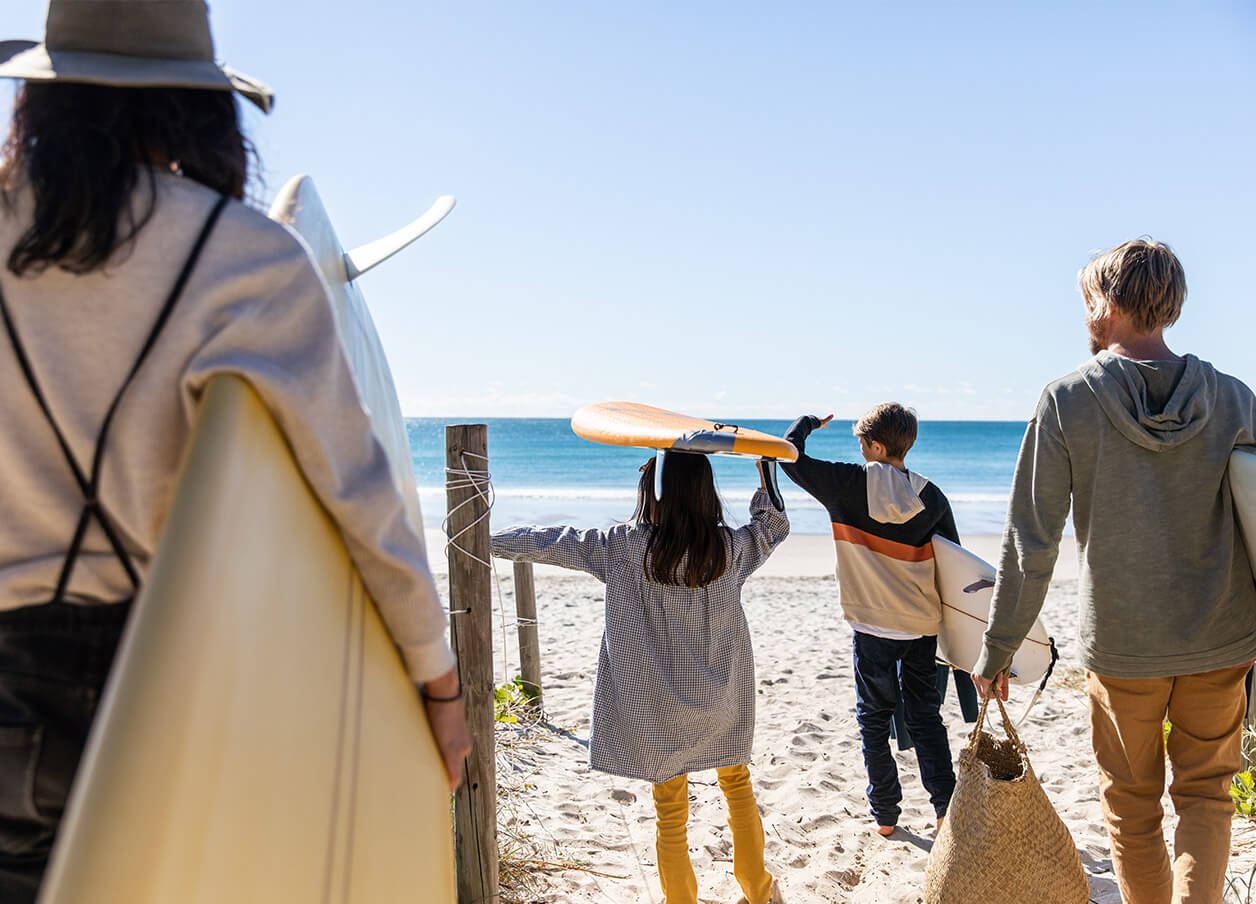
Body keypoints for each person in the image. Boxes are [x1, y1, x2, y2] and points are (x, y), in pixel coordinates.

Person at [0, 1, 468, 897]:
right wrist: (436, 683)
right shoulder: (244, 257)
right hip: (163, 671)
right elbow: (360, 497)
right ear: (196, 103)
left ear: (41, 100)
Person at [974, 238, 1256, 904]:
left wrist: (998, 649)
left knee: (1132, 808)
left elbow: (1029, 543)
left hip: (1126, 645)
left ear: (1106, 301)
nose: (1084, 316)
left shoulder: (1068, 399)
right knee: (1207, 798)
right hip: (1222, 637)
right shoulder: (1236, 400)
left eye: (1086, 301)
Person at [491, 452, 788, 904]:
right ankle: (759, 891)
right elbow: (773, 526)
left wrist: (481, 536)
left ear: (654, 494)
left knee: (671, 815)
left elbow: (549, 540)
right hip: (721, 702)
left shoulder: (624, 547)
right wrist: (766, 472)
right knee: (737, 788)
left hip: (658, 712)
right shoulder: (730, 549)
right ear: (707, 493)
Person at [781, 404, 958, 837]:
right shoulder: (931, 496)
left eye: (862, 442)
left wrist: (807, 424)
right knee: (925, 717)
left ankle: (885, 816)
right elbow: (956, 567)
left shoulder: (845, 485)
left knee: (873, 718)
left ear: (876, 446)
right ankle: (946, 811)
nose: (859, 449)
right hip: (921, 625)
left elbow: (787, 454)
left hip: (872, 625)